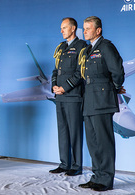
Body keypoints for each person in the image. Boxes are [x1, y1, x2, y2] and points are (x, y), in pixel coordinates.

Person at [77, 16, 125, 191]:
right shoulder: (90, 49)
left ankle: (106, 180)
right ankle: (97, 176)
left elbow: (117, 72)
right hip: (89, 101)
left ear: (98, 30)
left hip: (102, 101)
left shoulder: (106, 47)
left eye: (88, 28)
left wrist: (115, 88)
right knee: (93, 142)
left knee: (104, 142)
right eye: (84, 28)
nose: (85, 31)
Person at [50, 17, 86, 176]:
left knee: (75, 131)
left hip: (73, 96)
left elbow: (80, 73)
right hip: (60, 97)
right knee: (62, 131)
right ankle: (64, 163)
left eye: (64, 27)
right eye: (61, 28)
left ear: (73, 28)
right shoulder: (61, 48)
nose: (61, 30)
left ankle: (76, 165)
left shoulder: (81, 47)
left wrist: (64, 87)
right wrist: (54, 86)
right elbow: (55, 70)